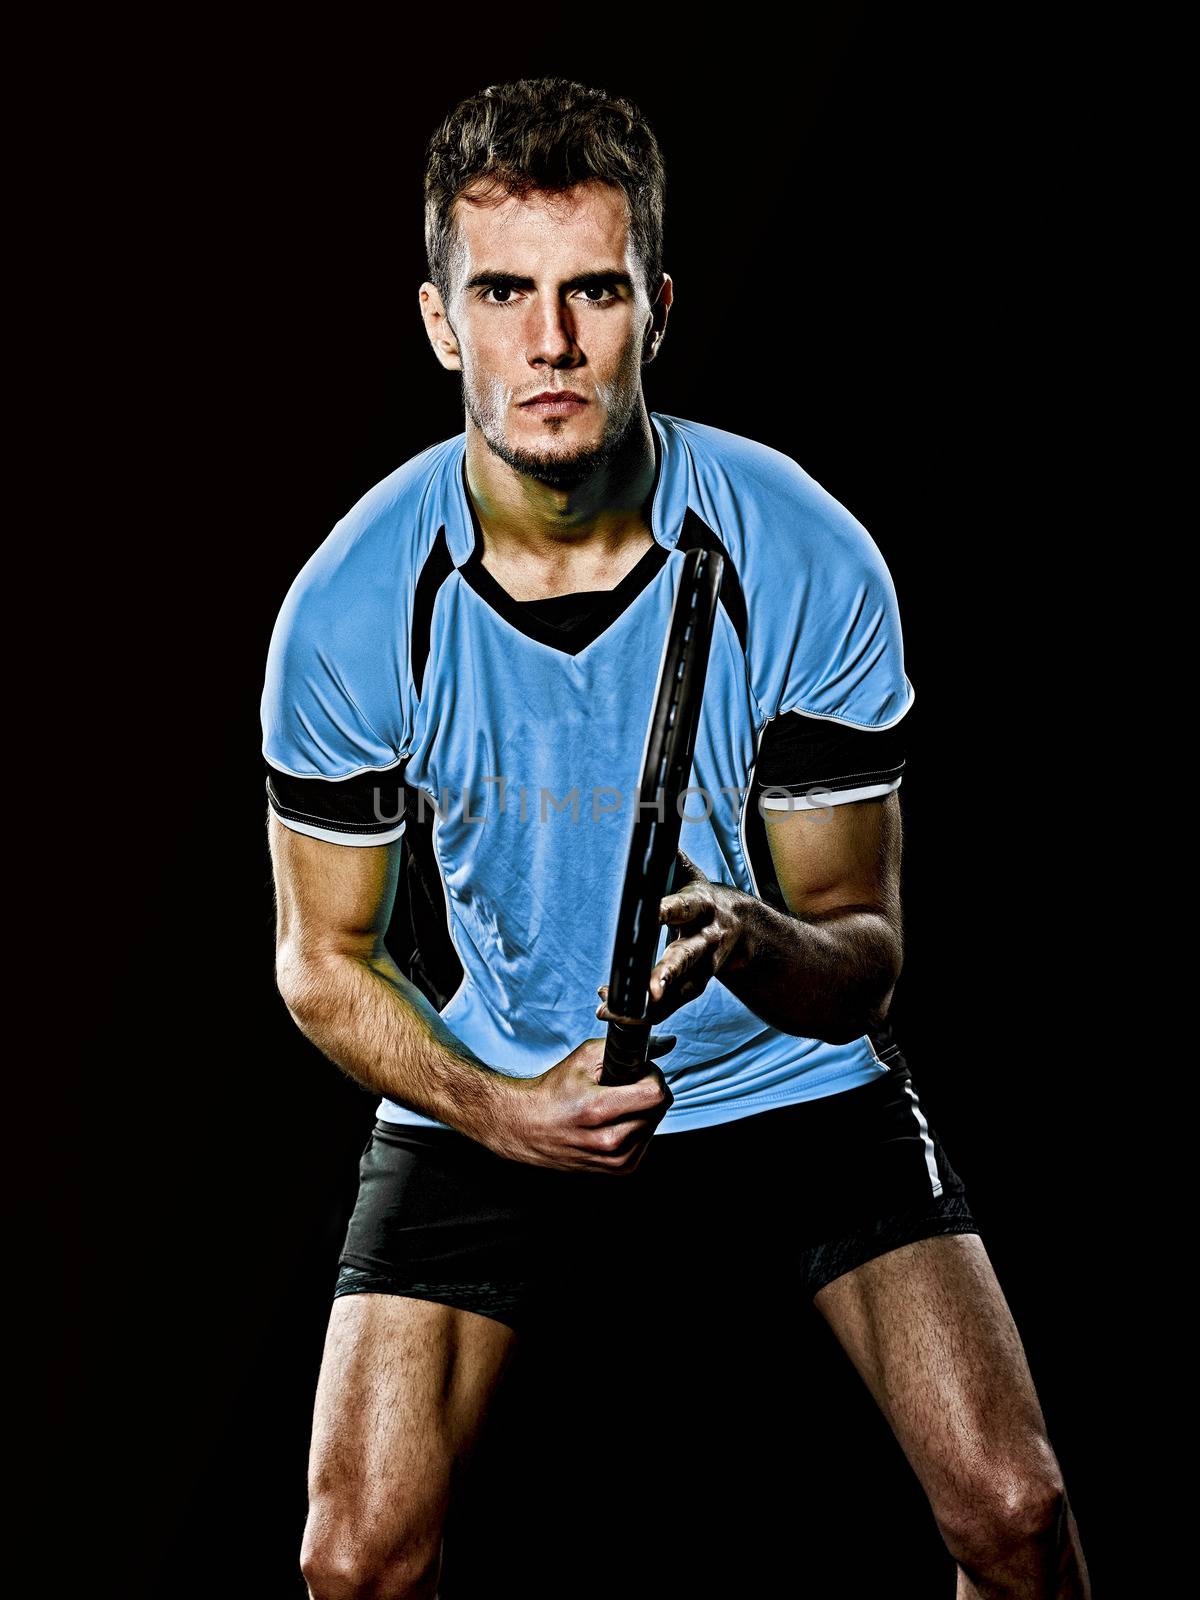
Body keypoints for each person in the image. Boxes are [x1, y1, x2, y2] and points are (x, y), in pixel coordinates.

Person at [261, 76, 1090, 1600]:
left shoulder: (803, 553)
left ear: (655, 304)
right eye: (504, 292)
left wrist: (758, 941)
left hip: (786, 1073)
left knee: (1019, 1518)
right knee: (353, 1557)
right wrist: (496, 1107)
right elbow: (320, 961)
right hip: (505, 1068)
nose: (552, 342)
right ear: (444, 322)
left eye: (593, 291)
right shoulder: (354, 605)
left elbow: (869, 961)